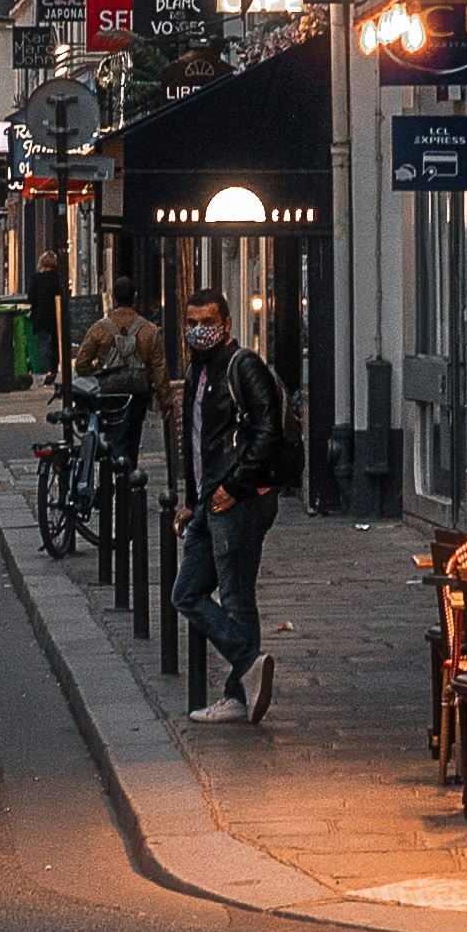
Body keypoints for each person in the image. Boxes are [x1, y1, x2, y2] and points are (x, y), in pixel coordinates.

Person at [170, 286, 286, 725]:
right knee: (187, 592)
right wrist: (191, 499)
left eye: (208, 323)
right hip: (209, 501)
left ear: (227, 326)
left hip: (238, 500)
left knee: (237, 596)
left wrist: (233, 487)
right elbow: (198, 442)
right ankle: (248, 666)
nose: (199, 331)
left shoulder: (244, 365)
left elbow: (266, 433)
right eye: (193, 323)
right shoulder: (197, 370)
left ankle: (238, 692)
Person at [75, 283, 163, 473]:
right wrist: (166, 399)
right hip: (138, 392)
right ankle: (129, 480)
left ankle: (112, 476)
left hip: (110, 393)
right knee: (133, 435)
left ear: (114, 297)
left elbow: (81, 363)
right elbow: (159, 369)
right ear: (135, 296)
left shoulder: (100, 329)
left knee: (114, 436)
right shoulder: (149, 330)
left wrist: (99, 370)